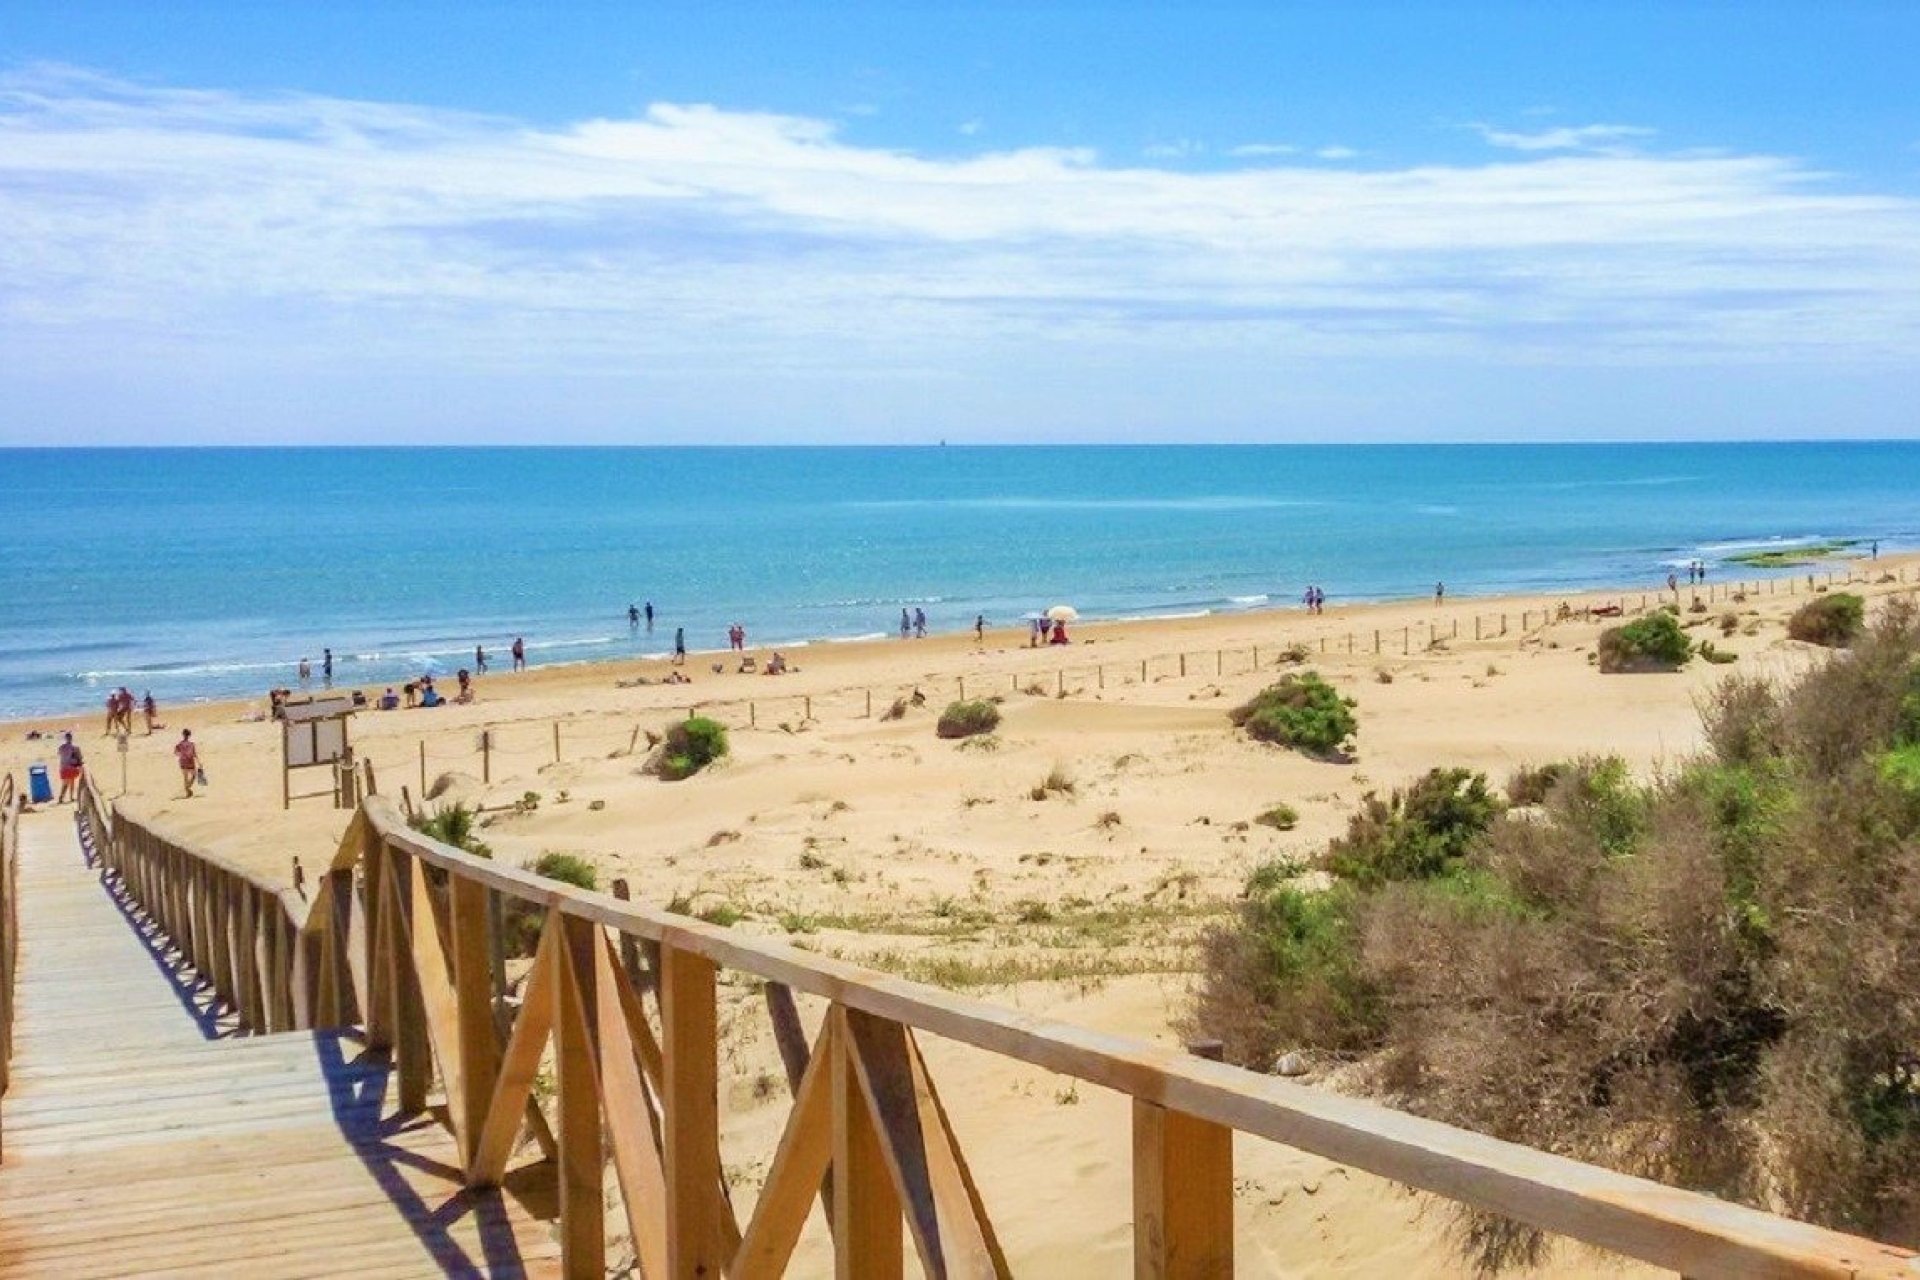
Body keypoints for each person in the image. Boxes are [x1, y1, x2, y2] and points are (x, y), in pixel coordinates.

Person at [56, 732, 83, 803]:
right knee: (71, 782)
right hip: (71, 767)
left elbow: (59, 754)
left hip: (63, 768)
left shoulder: (61, 747)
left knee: (65, 783)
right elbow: (80, 758)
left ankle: (61, 797)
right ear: (71, 738)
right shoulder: (75, 747)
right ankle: (70, 797)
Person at [174, 729, 199, 798]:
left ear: (183, 735)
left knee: (185, 777)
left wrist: (181, 756)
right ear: (189, 735)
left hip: (182, 762)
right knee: (194, 775)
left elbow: (176, 752)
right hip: (190, 762)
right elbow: (194, 754)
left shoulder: (179, 744)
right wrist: (199, 762)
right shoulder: (191, 744)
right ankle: (188, 787)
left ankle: (187, 791)